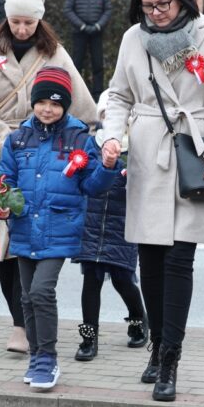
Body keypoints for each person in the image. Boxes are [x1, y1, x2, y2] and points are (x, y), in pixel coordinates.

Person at [101, 0, 204, 402]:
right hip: (147, 154)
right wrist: (110, 134)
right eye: (148, 6)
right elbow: (120, 95)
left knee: (180, 260)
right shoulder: (132, 39)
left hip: (193, 155)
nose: (158, 13)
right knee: (151, 259)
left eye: (164, 3)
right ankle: (156, 343)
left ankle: (170, 359)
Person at [0, 0, 97, 354]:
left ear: (39, 21)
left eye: (28, 23)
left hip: (44, 156)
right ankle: (18, 323)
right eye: (15, 22)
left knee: (30, 240)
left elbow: (82, 105)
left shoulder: (55, 54)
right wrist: (9, 144)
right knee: (1, 242)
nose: (21, 29)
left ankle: (29, 322)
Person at [0, 67, 121, 391]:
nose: (48, 109)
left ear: (65, 106)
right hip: (24, 226)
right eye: (42, 102)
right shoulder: (18, 138)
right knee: (27, 297)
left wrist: (109, 167)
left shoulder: (79, 138)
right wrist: (4, 199)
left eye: (55, 103)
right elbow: (6, 179)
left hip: (59, 228)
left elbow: (92, 186)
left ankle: (48, 360)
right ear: (33, 102)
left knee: (41, 290)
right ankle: (36, 357)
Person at [72, 91, 148, 362]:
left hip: (123, 227)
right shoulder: (89, 146)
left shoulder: (138, 149)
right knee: (91, 281)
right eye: (105, 116)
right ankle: (88, 338)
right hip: (92, 225)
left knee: (123, 279)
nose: (112, 122)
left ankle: (139, 321)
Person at [64, 0, 111, 100]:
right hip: (79, 33)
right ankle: (75, 93)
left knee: (98, 64)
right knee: (77, 64)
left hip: (97, 33)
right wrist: (82, 26)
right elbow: (68, 10)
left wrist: (98, 26)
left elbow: (107, 10)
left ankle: (97, 95)